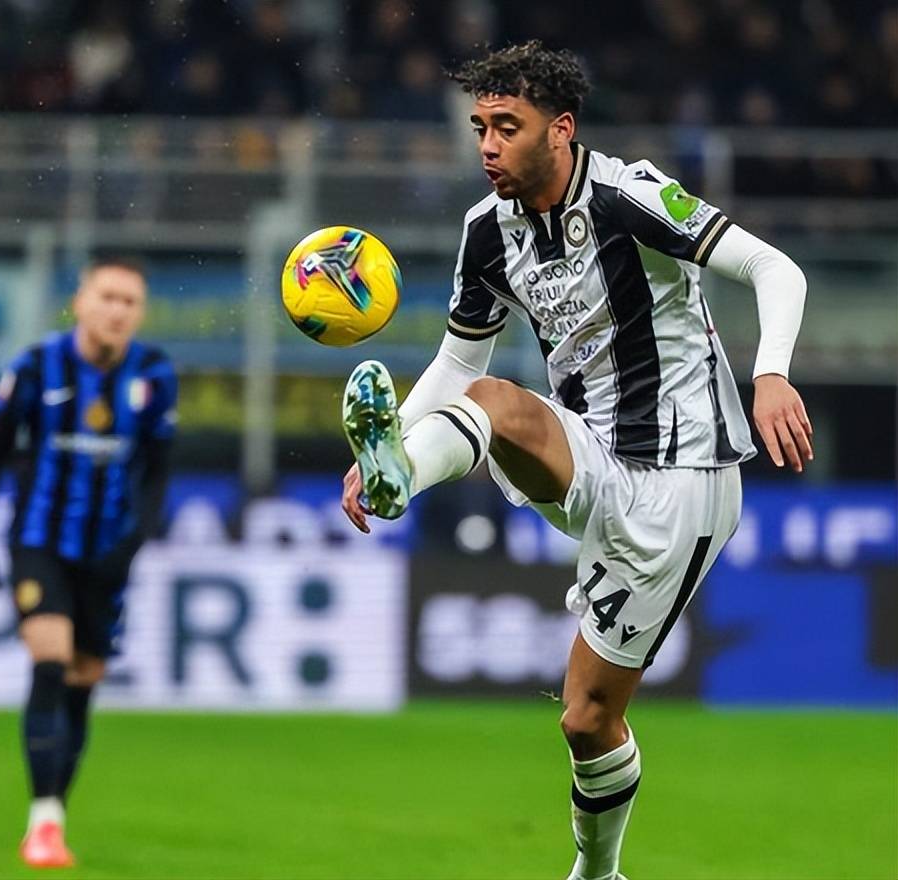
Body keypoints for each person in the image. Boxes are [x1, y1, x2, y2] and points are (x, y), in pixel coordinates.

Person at [340, 41, 811, 880]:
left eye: (507, 127)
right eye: (480, 127)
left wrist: (770, 372)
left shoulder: (632, 196)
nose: (488, 146)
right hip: (588, 451)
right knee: (491, 399)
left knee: (587, 720)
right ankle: (400, 475)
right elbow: (458, 362)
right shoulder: (487, 231)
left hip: (683, 481)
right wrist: (395, 442)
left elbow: (772, 268)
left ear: (559, 130)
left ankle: (598, 874)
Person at [0, 256, 176, 869]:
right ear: (79, 303)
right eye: (107, 297)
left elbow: (158, 470)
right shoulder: (36, 367)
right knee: (51, 663)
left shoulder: (154, 374)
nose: (117, 310)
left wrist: (133, 544)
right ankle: (43, 822)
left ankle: (53, 813)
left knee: (83, 680)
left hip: (108, 551)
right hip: (40, 542)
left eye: (130, 301)